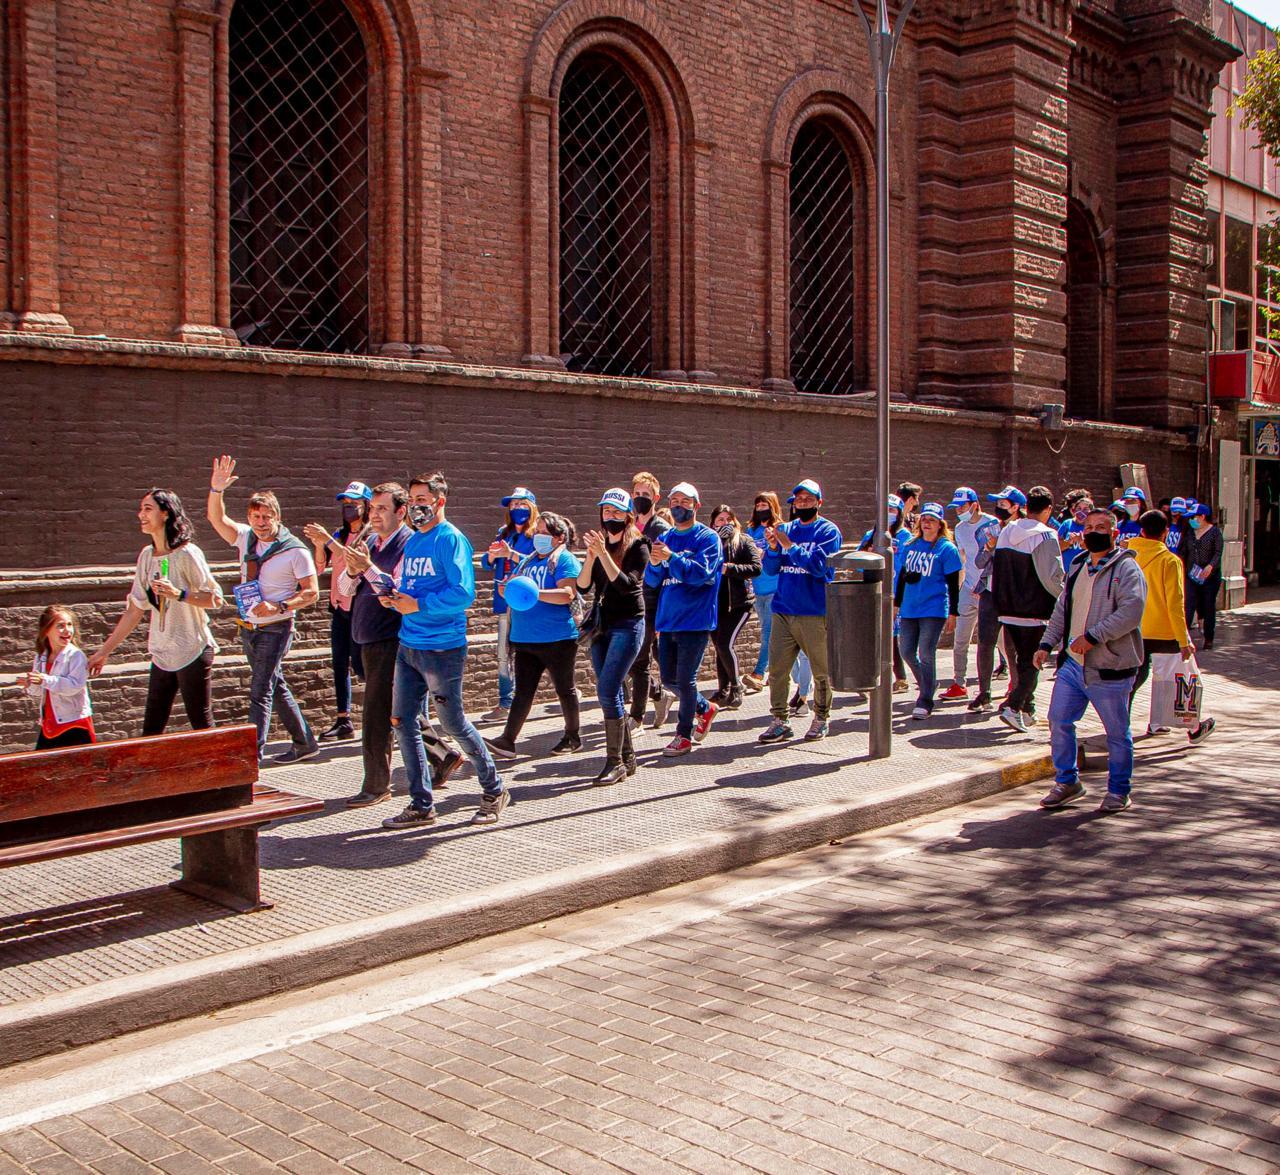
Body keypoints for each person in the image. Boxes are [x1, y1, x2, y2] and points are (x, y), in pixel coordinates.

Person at [379, 472, 508, 828]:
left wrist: (417, 606)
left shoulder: (451, 540)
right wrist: (395, 599)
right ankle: (421, 804)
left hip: (442, 648)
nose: (416, 507)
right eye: (412, 499)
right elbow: (411, 587)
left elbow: (463, 594)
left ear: (440, 501)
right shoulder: (414, 542)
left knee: (452, 723)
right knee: (403, 723)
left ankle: (494, 789)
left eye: (422, 500)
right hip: (409, 645)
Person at [336, 483, 465, 808]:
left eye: (381, 509)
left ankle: (376, 785)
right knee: (399, 710)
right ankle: (442, 756)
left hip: (393, 638)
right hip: (365, 635)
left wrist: (366, 567)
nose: (373, 515)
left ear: (400, 511)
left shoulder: (410, 545)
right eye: (372, 508)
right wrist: (352, 571)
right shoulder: (371, 543)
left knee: (376, 715)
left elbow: (394, 591)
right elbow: (345, 589)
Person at [207, 456, 320, 765]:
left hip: (277, 627)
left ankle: (251, 758)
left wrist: (280, 606)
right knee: (274, 683)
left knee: (260, 691)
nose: (260, 522)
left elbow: (311, 592)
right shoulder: (246, 539)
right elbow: (218, 521)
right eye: (255, 516)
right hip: (249, 625)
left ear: (277, 517)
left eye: (266, 516)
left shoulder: (295, 550)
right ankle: (305, 742)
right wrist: (216, 491)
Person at [1034, 508, 1147, 813]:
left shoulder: (1126, 569)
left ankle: (1119, 790)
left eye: (1101, 527)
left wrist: (1094, 637)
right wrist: (1047, 643)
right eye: (1088, 527)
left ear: (1114, 534)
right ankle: (1067, 781)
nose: (1093, 532)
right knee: (1059, 721)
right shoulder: (1077, 565)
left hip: (1108, 667)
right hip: (1072, 665)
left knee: (1116, 733)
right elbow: (1063, 608)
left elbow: (1131, 612)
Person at [88, 489, 223, 735]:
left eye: (147, 509)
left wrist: (179, 594)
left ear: (165, 513)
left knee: (201, 725)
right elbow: (134, 610)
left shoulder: (187, 553)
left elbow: (215, 599)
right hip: (162, 651)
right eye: (141, 509)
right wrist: (102, 653)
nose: (141, 515)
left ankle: (224, 771)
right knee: (152, 727)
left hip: (192, 648)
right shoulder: (147, 556)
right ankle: (145, 773)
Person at [485, 512, 582, 759]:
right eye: (536, 531)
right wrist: (507, 588)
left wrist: (534, 593)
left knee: (565, 689)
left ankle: (572, 736)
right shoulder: (527, 562)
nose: (537, 536)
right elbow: (513, 585)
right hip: (524, 638)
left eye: (543, 532)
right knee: (523, 692)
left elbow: (567, 594)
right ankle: (507, 741)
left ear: (559, 538)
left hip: (557, 639)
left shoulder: (564, 560)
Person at [758, 479, 843, 744]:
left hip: (814, 610)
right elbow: (771, 569)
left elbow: (820, 567)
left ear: (819, 502)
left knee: (821, 669)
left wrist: (789, 546)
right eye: (799, 499)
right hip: (783, 608)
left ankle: (821, 717)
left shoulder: (828, 531)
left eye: (809, 499)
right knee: (779, 670)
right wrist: (773, 549)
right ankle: (780, 720)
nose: (803, 503)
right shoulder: (786, 528)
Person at [645, 482, 724, 756]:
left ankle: (683, 735)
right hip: (668, 620)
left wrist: (672, 558)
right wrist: (655, 565)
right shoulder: (665, 537)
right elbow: (653, 579)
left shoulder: (707, 538)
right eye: (674, 500)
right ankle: (705, 707)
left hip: (695, 619)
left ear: (696, 505)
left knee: (686, 679)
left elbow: (701, 574)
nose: (679, 505)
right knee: (668, 679)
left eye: (685, 501)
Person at [578, 488, 650, 784]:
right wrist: (590, 557)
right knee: (614, 691)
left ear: (628, 516)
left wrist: (605, 554)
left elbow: (625, 585)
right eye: (606, 512)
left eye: (617, 513)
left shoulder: (639, 546)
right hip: (602, 626)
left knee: (607, 691)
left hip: (628, 624)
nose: (611, 518)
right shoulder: (599, 546)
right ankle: (628, 758)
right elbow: (583, 587)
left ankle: (614, 762)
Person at [1129, 509, 1215, 745]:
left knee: (1135, 677)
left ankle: (1135, 723)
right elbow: (1175, 604)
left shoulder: (1128, 556)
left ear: (1142, 531)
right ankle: (1194, 728)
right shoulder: (1169, 560)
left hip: (1133, 630)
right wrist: (1184, 639)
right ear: (1166, 532)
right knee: (1179, 678)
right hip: (1164, 632)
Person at [303, 481, 371, 742]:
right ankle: (343, 719)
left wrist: (328, 541)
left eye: (354, 504)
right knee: (339, 663)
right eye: (345, 504)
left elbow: (353, 560)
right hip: (339, 605)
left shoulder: (369, 535)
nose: (349, 509)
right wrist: (320, 545)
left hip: (359, 607)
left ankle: (385, 710)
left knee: (361, 665)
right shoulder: (339, 535)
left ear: (365, 505)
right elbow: (321, 567)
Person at [993, 485, 1064, 733]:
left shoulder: (1007, 530)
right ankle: (1013, 706)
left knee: (1021, 660)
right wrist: (1065, 599)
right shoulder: (1046, 535)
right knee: (1032, 662)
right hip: (1035, 609)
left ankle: (1027, 709)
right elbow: (1051, 576)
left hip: (1007, 607)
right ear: (1048, 509)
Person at [895, 503, 963, 720]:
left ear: (940, 524)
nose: (927, 523)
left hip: (933, 608)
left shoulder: (946, 549)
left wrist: (954, 612)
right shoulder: (911, 544)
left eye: (932, 520)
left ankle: (925, 699)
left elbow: (953, 583)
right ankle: (928, 683)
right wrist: (897, 603)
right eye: (924, 519)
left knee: (926, 652)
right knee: (906, 651)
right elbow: (903, 576)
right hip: (909, 607)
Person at [479, 487, 539, 725]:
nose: (516, 509)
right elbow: (486, 562)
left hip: (527, 604)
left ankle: (565, 690)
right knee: (503, 654)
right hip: (504, 601)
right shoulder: (502, 533)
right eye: (512, 505)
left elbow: (535, 563)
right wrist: (493, 556)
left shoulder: (536, 536)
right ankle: (505, 702)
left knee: (535, 653)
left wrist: (510, 553)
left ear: (532, 508)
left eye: (521, 504)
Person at [969, 487, 1022, 713]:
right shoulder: (990, 530)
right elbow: (979, 562)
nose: (999, 508)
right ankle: (984, 692)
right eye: (997, 504)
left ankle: (1017, 693)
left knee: (1012, 646)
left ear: (1016, 507)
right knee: (985, 643)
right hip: (990, 592)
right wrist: (990, 548)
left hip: (1013, 595)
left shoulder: (1023, 531)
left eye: (1003, 504)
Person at [628, 472, 674, 730]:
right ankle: (658, 693)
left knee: (640, 657)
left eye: (646, 495)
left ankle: (636, 716)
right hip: (628, 600)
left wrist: (663, 615)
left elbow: (667, 571)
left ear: (656, 498)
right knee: (628, 657)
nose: (640, 499)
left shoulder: (662, 530)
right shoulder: (628, 525)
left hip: (651, 602)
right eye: (637, 494)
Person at [943, 486, 995, 701]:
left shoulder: (992, 524)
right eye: (956, 507)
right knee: (960, 638)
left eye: (963, 506)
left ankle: (1001, 681)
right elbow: (963, 560)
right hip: (969, 588)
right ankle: (959, 682)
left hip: (990, 590)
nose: (959, 510)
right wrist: (960, 589)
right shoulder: (960, 528)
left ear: (974, 504)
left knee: (995, 640)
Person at [708, 505, 762, 709]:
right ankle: (723, 691)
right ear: (713, 523)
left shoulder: (744, 540)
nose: (724, 523)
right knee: (719, 647)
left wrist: (728, 569)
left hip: (738, 604)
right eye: (720, 520)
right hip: (715, 604)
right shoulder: (710, 541)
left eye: (728, 519)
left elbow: (756, 568)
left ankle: (736, 687)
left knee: (724, 644)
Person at [19, 605, 95, 749]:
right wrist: (31, 684)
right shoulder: (41, 656)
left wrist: (44, 679)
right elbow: (40, 691)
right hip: (50, 721)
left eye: (69, 625)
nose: (67, 630)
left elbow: (74, 686)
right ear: (46, 630)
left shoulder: (75, 656)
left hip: (74, 722)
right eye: (60, 626)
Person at [861, 493, 910, 692]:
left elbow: (906, 568)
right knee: (870, 636)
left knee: (892, 637)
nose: (888, 514)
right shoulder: (869, 535)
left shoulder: (905, 536)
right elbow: (857, 562)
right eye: (885, 510)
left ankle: (901, 677)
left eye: (892, 511)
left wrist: (899, 600)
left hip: (893, 591)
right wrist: (868, 553)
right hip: (871, 592)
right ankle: (868, 676)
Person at [741, 491, 782, 694]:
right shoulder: (752, 530)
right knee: (771, 633)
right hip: (759, 588)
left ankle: (759, 673)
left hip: (775, 587)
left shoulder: (780, 529)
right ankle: (779, 672)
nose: (760, 509)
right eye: (758, 506)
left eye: (765, 506)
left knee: (768, 632)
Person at [1184, 501, 1223, 650]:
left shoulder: (1214, 532)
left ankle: (1208, 637)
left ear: (1202, 516)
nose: (1192, 520)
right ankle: (1184, 638)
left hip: (1210, 577)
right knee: (1189, 605)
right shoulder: (1190, 532)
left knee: (1208, 606)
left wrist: (1210, 566)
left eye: (1194, 517)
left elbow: (1218, 552)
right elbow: (1185, 551)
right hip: (1192, 575)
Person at [1057, 494, 1094, 576]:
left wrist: (1082, 542)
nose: (1081, 512)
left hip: (1084, 573)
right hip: (1065, 572)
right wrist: (1069, 542)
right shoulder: (1067, 524)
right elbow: (1056, 547)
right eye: (1079, 508)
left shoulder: (1093, 527)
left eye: (1085, 509)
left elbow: (1096, 550)